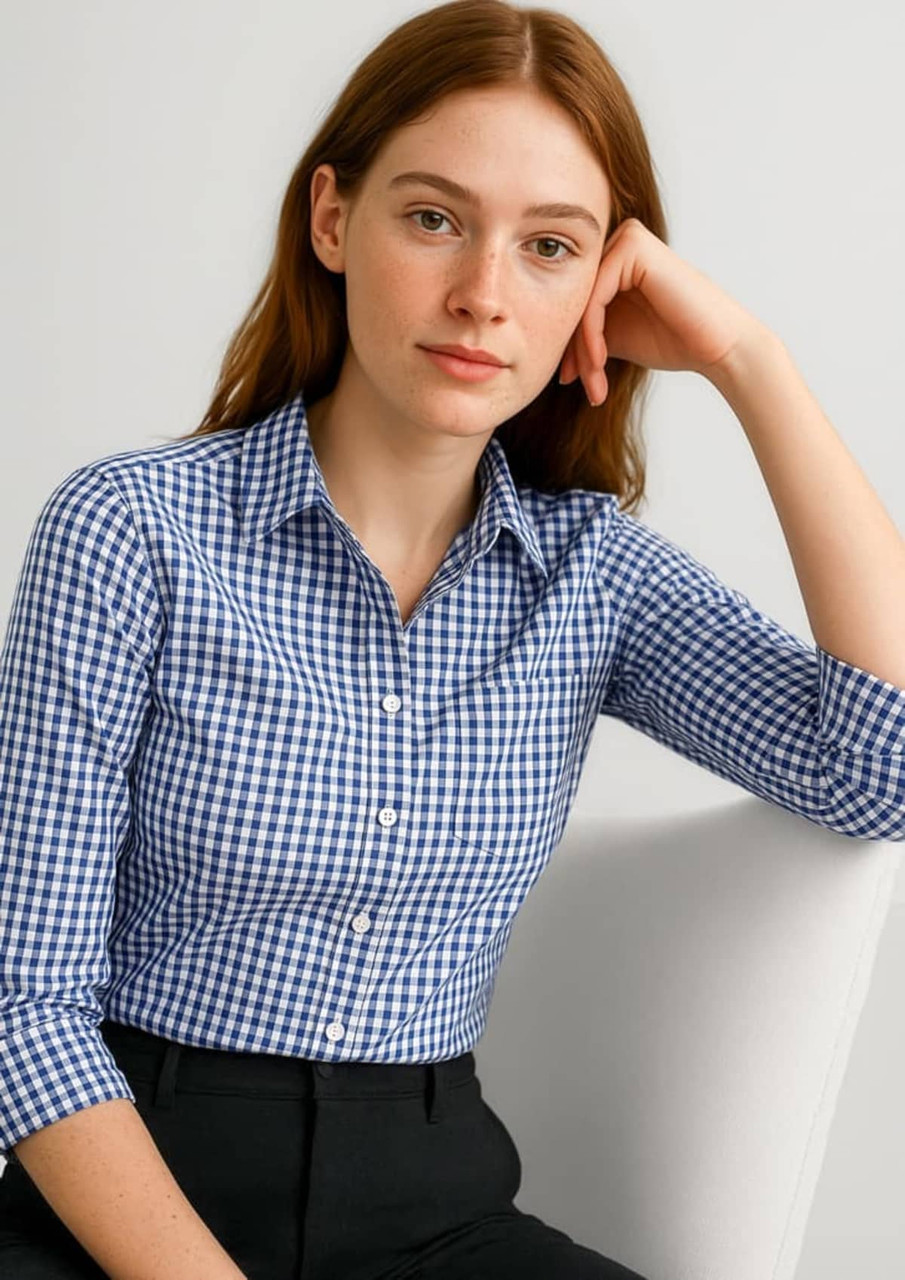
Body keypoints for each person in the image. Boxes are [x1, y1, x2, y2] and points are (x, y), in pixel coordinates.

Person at [2, 1, 903, 1277]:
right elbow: (22, 1000)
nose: (482, 295)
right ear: (333, 220)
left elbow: (884, 766)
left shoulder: (590, 578)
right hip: (122, 1205)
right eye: (433, 218)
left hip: (430, 1215)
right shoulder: (131, 531)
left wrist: (748, 358)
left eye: (549, 247)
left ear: (602, 283)